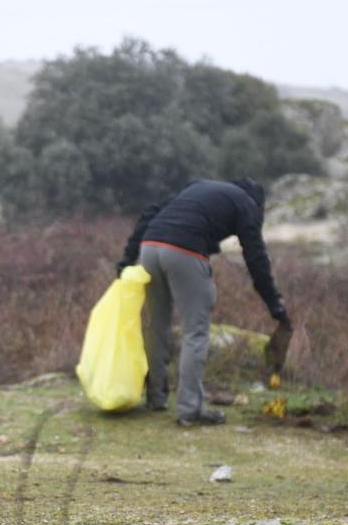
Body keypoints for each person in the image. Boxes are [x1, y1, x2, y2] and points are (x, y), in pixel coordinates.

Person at [116, 178, 290, 427]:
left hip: (150, 247)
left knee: (156, 327)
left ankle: (156, 398)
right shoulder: (248, 205)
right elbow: (256, 257)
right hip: (184, 252)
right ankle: (190, 409)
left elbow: (152, 212)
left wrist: (126, 258)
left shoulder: (199, 188)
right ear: (259, 205)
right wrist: (274, 304)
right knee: (195, 332)